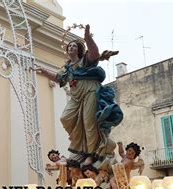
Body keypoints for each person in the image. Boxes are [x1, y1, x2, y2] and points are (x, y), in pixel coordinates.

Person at [36, 24, 122, 166]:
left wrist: (88, 38)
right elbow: (58, 78)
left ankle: (92, 154)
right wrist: (44, 71)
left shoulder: (85, 61)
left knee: (89, 123)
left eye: (74, 46)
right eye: (69, 46)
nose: (71, 48)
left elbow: (94, 53)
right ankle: (79, 145)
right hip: (76, 97)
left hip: (89, 92)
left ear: (79, 49)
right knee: (66, 118)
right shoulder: (67, 68)